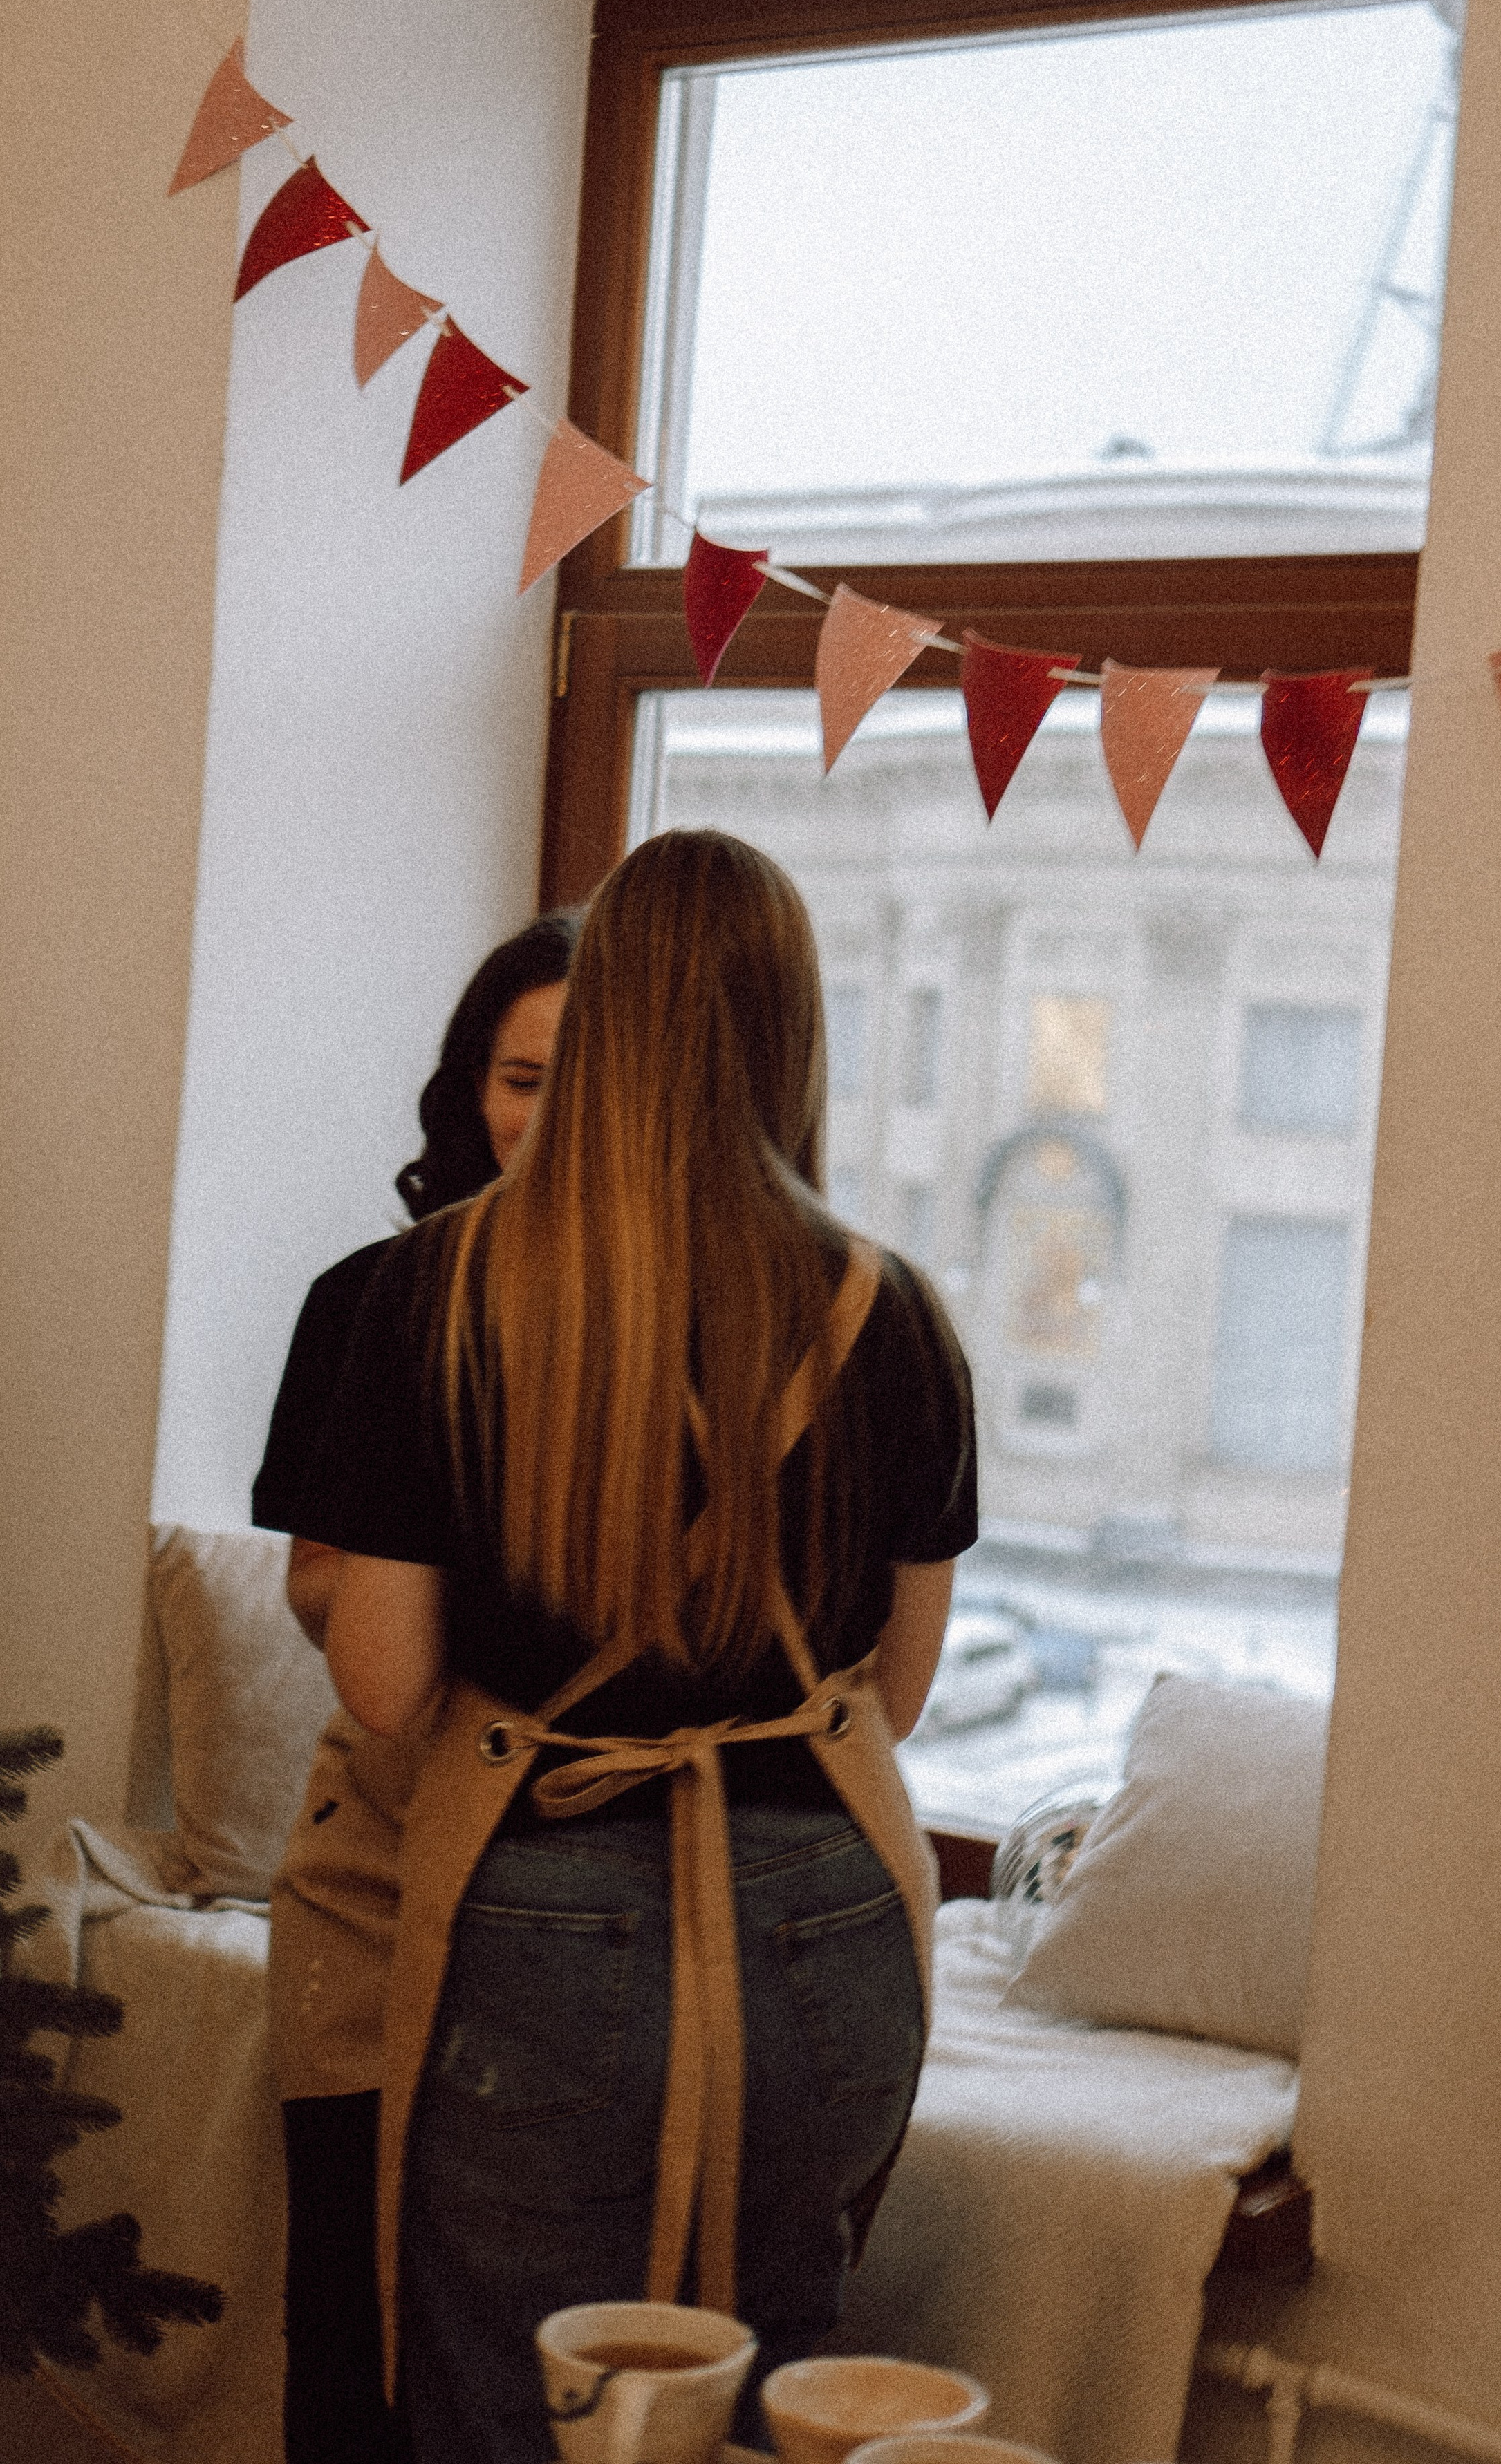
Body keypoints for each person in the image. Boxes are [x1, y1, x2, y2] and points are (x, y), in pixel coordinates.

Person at [268, 830, 978, 2464]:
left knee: (511, 2402)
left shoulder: (434, 1291)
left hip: (544, 1908)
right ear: (791, 1027)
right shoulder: (894, 1310)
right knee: (773, 2393)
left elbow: (383, 1682)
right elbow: (892, 1692)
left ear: (606, 1019)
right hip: (833, 1910)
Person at [252, 908, 579, 1544]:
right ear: (477, 1088)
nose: (552, 1122)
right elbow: (309, 1574)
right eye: (524, 1084)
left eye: (586, 1089)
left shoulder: (698, 1310)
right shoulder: (363, 1295)